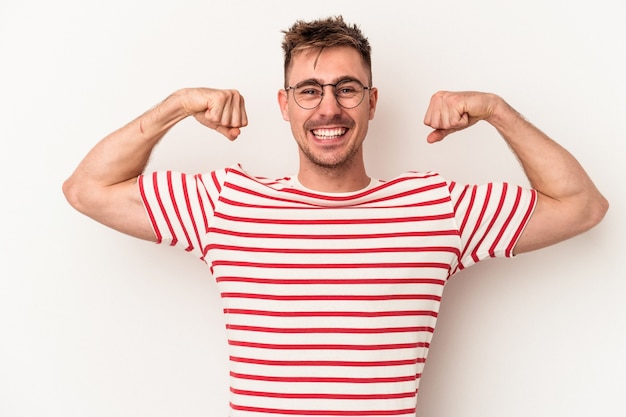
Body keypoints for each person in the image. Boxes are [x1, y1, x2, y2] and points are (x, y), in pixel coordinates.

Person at [63, 15, 607, 417]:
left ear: (372, 103)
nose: (329, 108)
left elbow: (582, 205)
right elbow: (87, 189)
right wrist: (177, 104)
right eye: (309, 91)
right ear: (284, 104)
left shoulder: (436, 207)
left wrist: (496, 111)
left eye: (347, 89)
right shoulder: (226, 203)